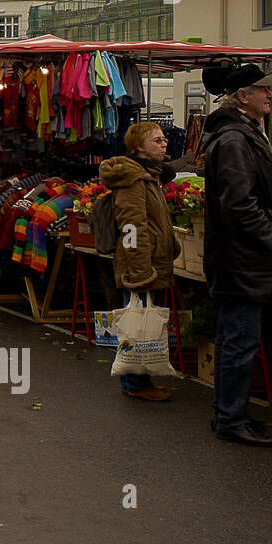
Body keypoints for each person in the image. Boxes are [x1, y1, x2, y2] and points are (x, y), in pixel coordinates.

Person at [201, 64, 272, 448]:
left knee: (235, 340)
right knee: (239, 341)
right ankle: (231, 418)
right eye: (264, 90)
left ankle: (229, 414)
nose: (271, 97)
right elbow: (239, 204)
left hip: (241, 260)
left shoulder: (240, 133)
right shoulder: (233, 140)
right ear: (243, 95)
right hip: (243, 261)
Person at [98, 121, 180, 402]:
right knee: (138, 324)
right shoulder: (133, 180)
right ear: (138, 147)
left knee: (143, 324)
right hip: (141, 265)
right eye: (156, 140)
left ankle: (136, 380)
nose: (164, 143)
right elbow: (131, 226)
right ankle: (135, 383)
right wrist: (140, 269)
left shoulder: (148, 176)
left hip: (151, 259)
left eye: (163, 139)